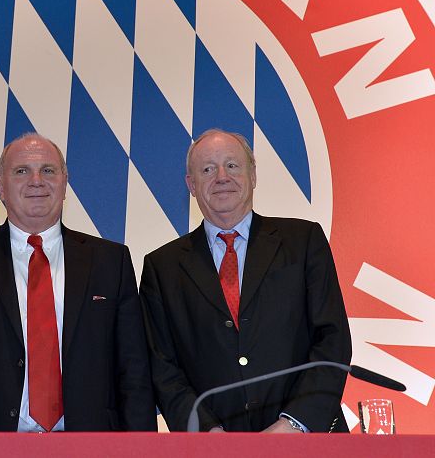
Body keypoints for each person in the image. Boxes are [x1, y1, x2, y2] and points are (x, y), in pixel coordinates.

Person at [0, 133, 156, 432]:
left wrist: (140, 449)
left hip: (89, 444)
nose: (36, 181)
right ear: (0, 186)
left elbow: (134, 373)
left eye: (48, 170)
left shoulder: (111, 261)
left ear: (64, 183)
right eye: (21, 171)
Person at [140, 128, 351, 433]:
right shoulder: (162, 267)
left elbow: (332, 340)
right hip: (212, 447)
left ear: (253, 176)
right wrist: (208, 435)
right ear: (191, 185)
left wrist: (295, 424)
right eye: (207, 169)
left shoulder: (303, 241)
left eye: (232, 165)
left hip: (308, 438)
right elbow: (162, 368)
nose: (221, 177)